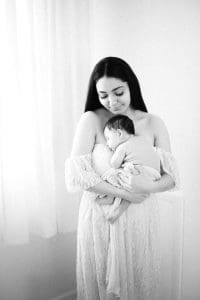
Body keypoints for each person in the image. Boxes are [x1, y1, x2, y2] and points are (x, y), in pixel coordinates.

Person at [65, 57, 179, 300]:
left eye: (118, 92)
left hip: (141, 219)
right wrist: (127, 193)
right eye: (103, 95)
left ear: (131, 86)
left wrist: (146, 185)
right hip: (101, 218)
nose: (111, 101)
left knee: (138, 284)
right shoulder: (91, 120)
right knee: (102, 283)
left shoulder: (153, 123)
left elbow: (171, 177)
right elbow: (78, 176)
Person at [96, 114, 162, 224]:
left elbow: (114, 164)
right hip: (155, 175)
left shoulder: (123, 147)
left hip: (141, 171)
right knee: (132, 189)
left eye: (108, 138)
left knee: (114, 175)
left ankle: (111, 198)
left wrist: (113, 154)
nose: (107, 143)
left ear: (119, 133)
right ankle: (117, 206)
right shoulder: (142, 140)